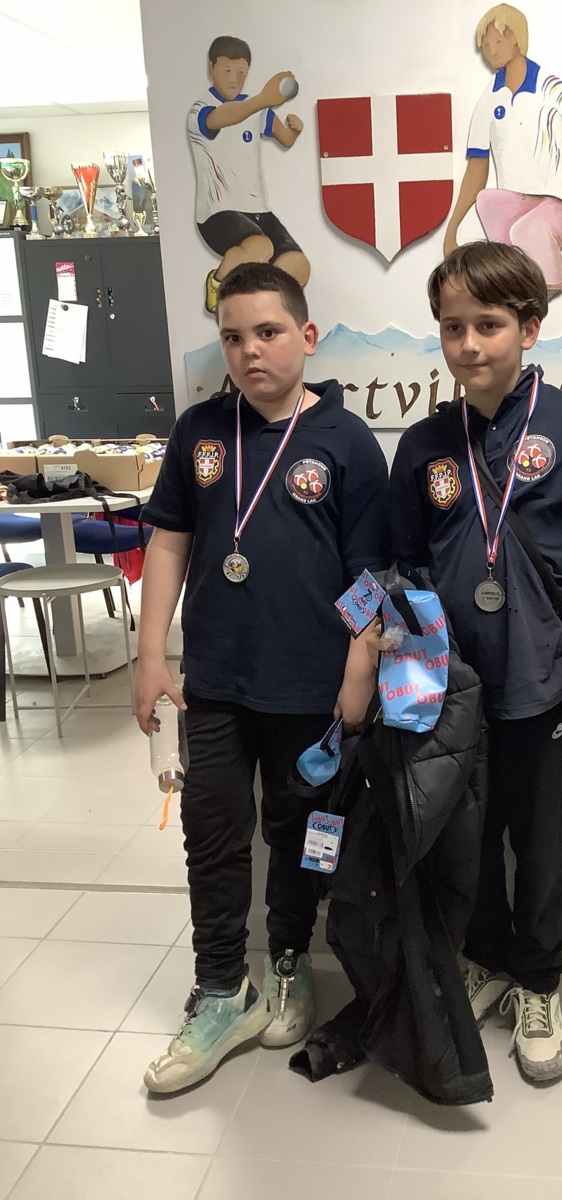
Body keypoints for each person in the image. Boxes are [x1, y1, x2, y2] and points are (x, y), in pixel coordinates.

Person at [389, 241, 562, 1082]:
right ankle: (488, 958)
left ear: (530, 328)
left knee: (537, 846)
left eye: (489, 325)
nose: (468, 344)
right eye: (452, 326)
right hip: (452, 691)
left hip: (542, 684)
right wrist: (401, 667)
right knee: (465, 840)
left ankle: (538, 982)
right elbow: (400, 567)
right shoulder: (424, 444)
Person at [135, 262, 390, 1094]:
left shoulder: (346, 442)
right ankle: (220, 991)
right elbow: (168, 542)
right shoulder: (200, 433)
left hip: (310, 685)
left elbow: (368, 574)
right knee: (211, 833)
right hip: (213, 681)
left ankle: (287, 961)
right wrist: (149, 654)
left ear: (306, 337)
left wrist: (358, 669)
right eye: (233, 337)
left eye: (269, 333)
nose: (250, 351)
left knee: (298, 828)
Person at [443, 5, 562, 295]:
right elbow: (477, 167)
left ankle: (548, 286)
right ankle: (511, 276)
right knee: (487, 200)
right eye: (485, 44)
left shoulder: (552, 88)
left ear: (516, 39)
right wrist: (452, 230)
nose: (492, 50)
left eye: (498, 41)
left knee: (527, 229)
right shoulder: (490, 98)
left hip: (558, 204)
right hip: (517, 202)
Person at [188, 35, 310, 315]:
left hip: (258, 209)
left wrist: (294, 130)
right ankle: (217, 283)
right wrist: (263, 99)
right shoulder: (201, 110)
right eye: (227, 70)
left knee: (298, 266)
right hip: (218, 212)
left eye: (241, 73)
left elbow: (284, 138)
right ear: (211, 68)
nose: (234, 79)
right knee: (259, 246)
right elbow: (223, 117)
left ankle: (261, 306)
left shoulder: (257, 109)